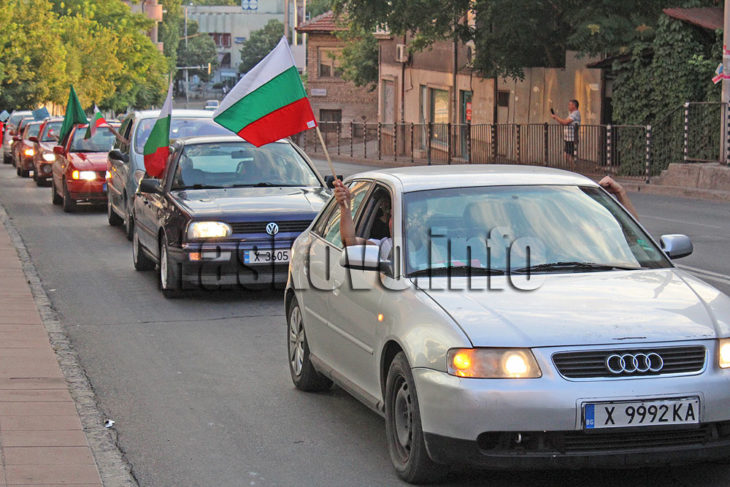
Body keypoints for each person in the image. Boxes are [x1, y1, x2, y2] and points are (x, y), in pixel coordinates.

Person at [551, 99, 581, 170]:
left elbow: (565, 122)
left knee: (569, 155)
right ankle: (572, 168)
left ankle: (574, 169)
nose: (568, 106)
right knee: (567, 155)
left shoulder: (575, 113)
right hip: (568, 137)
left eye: (570, 105)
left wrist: (556, 117)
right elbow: (564, 122)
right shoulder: (571, 114)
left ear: (574, 105)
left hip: (572, 138)